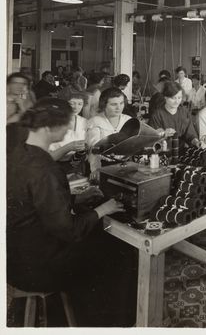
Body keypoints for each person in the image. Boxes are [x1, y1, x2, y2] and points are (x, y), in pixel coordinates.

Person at [7, 98, 136, 327]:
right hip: (40, 267)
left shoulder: (18, 154)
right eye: (65, 124)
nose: (69, 128)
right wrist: (102, 209)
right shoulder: (45, 169)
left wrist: (78, 198)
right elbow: (69, 231)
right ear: (48, 128)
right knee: (119, 250)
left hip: (14, 258)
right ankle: (117, 323)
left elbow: (39, 205)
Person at [86, 88, 132, 180]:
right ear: (104, 105)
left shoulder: (129, 120)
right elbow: (94, 150)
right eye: (113, 104)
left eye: (121, 103)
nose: (118, 107)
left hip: (126, 165)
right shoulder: (95, 122)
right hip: (103, 166)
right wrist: (96, 170)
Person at [149, 81, 204, 150]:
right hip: (162, 153)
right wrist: (163, 134)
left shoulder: (184, 112)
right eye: (173, 98)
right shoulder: (157, 115)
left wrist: (196, 142)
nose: (177, 101)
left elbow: (190, 133)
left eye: (179, 98)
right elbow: (151, 138)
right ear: (165, 97)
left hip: (180, 152)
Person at [49, 91, 88, 165]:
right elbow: (48, 156)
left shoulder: (84, 122)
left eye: (80, 104)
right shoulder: (53, 122)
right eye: (72, 103)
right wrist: (69, 147)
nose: (76, 107)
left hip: (77, 164)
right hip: (55, 164)